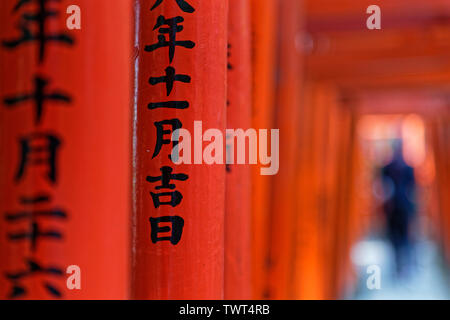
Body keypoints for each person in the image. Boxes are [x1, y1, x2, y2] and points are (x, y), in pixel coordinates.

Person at [381, 140, 416, 277]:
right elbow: (383, 186)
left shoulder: (407, 168)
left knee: (404, 237)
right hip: (393, 207)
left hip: (403, 207)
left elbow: (412, 188)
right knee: (394, 237)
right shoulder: (387, 168)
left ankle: (403, 266)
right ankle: (398, 266)